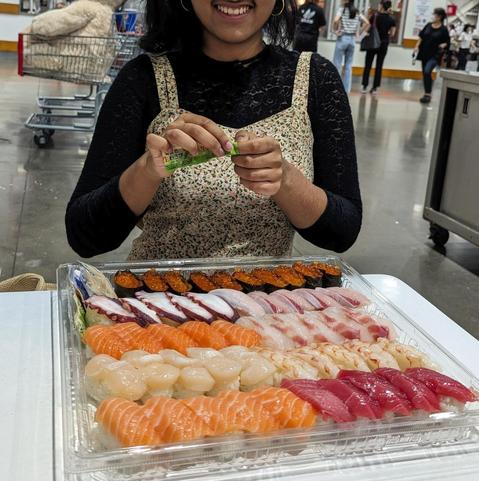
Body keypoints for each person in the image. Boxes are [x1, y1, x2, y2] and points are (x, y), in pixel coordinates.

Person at [65, 0, 362, 260]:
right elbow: (85, 236)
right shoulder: (142, 79)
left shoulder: (315, 80)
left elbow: (342, 232)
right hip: (158, 308)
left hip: (268, 308)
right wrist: (148, 169)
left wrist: (285, 181)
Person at [414, 8, 450, 104]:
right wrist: (416, 46)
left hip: (435, 55)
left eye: (434, 15)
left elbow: (447, 42)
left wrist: (444, 45)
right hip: (424, 53)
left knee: (427, 71)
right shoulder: (428, 25)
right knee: (425, 74)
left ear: (439, 17)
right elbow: (421, 37)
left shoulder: (443, 29)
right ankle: (427, 93)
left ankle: (428, 94)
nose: (433, 16)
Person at [333, 0, 369, 93]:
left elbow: (336, 20)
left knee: (337, 64)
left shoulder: (342, 9)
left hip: (342, 38)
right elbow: (367, 22)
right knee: (348, 66)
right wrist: (359, 33)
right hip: (352, 40)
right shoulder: (356, 11)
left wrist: (335, 30)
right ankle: (346, 89)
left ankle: (336, 88)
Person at [361, 0, 396, 95]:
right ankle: (375, 88)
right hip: (383, 44)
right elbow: (392, 34)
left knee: (368, 65)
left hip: (372, 44)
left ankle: (364, 86)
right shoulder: (392, 19)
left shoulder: (375, 16)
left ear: (381, 6)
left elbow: (367, 27)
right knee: (379, 66)